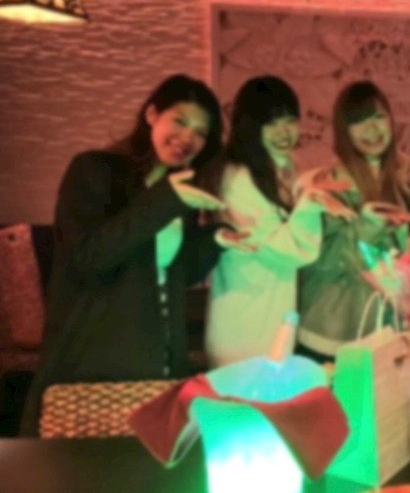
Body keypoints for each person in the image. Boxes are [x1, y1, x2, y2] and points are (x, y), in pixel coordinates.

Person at [20, 74, 250, 436]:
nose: (187, 138)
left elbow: (174, 272)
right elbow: (89, 257)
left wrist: (216, 239)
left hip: (159, 356)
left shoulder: (178, 190)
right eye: (180, 121)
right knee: (92, 465)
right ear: (151, 114)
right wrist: (164, 201)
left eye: (200, 133)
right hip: (96, 361)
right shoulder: (95, 170)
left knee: (151, 461)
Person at [204, 76, 352, 367]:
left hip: (272, 312)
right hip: (243, 322)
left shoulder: (283, 167)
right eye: (271, 123)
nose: (284, 132)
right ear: (250, 126)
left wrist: (311, 189)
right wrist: (309, 205)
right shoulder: (237, 179)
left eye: (290, 120)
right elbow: (287, 248)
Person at [296, 81, 410, 362]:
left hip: (383, 335)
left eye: (378, 116)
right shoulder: (329, 186)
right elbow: (325, 262)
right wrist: (368, 226)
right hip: (332, 334)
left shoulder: (399, 181)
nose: (372, 129)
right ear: (344, 131)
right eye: (359, 121)